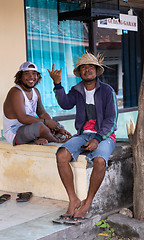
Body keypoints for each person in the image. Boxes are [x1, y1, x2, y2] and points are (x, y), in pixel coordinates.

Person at [48, 52, 118, 222]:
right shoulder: (77, 90)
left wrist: (98, 138)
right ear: (80, 72)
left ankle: (87, 202)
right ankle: (73, 199)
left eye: (90, 67)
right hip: (83, 134)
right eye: (83, 67)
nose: (87, 70)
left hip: (104, 135)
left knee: (100, 161)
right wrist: (57, 84)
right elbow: (65, 104)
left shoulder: (107, 91)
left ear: (96, 70)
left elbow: (112, 119)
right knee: (61, 155)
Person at [3, 61, 71, 146]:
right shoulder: (16, 92)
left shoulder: (35, 91)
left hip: (30, 128)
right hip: (15, 133)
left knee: (57, 127)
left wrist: (57, 126)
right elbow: (22, 118)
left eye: (34, 73)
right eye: (26, 73)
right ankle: (56, 140)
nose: (31, 76)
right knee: (42, 127)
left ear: (37, 76)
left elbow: (42, 113)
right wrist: (47, 123)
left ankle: (39, 138)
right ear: (20, 77)